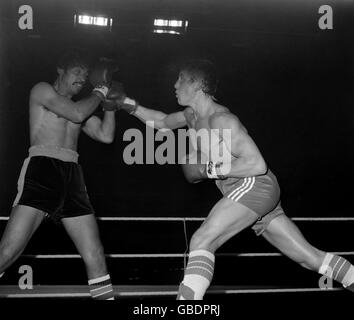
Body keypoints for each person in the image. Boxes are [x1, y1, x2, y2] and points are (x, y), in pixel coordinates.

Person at [112, 59, 354, 299]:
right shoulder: (190, 116)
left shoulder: (222, 119)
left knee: (203, 239)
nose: (175, 85)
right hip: (248, 194)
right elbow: (163, 123)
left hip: (253, 184)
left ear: (196, 84)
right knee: (310, 259)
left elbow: (257, 164)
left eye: (181, 79)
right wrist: (127, 104)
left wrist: (206, 170)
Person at [0, 50, 124, 300]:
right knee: (8, 252)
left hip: (73, 177)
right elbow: (77, 113)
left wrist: (110, 106)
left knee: (95, 255)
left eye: (85, 74)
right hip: (42, 170)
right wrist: (100, 90)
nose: (82, 77)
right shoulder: (42, 90)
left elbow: (105, 135)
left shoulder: (81, 106)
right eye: (76, 71)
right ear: (61, 70)